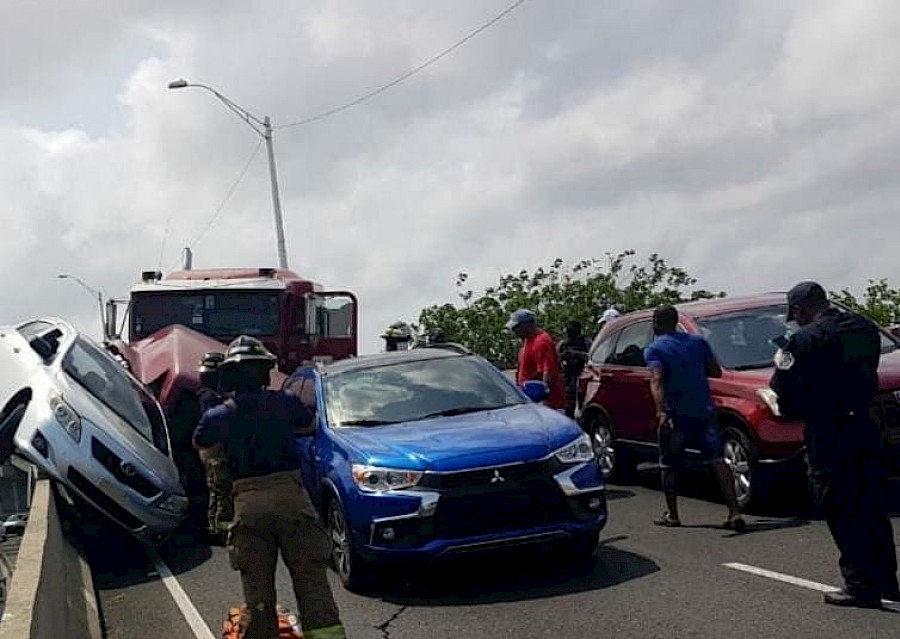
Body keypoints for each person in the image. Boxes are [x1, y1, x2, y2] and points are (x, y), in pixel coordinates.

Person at [193, 336, 346, 639]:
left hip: (248, 506)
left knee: (258, 594)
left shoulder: (219, 415)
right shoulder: (287, 404)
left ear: (230, 375)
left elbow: (202, 443)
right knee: (312, 585)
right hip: (292, 499)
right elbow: (308, 424)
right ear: (265, 372)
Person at [771, 281, 898, 609]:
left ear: (800, 309)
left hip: (829, 431)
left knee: (841, 508)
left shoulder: (803, 340)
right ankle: (887, 580)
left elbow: (784, 388)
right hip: (866, 425)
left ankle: (859, 585)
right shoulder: (863, 327)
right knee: (872, 505)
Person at [644, 305, 744, 530]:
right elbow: (714, 371)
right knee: (718, 460)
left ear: (656, 324)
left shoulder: (654, 349)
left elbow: (656, 380)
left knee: (668, 464)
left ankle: (673, 514)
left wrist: (661, 412)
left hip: (675, 413)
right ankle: (734, 511)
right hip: (703, 409)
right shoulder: (698, 342)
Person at [195, 352, 233, 543]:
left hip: (212, 450)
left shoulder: (206, 394)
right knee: (221, 489)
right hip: (215, 451)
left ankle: (217, 527)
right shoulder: (208, 397)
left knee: (217, 489)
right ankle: (219, 530)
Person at [505, 309, 566, 411]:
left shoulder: (542, 342)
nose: (514, 331)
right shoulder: (528, 340)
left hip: (546, 404)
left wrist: (543, 399)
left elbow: (548, 372)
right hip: (530, 402)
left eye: (516, 327)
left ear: (528, 325)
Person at [557, 321, 590, 418]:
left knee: (584, 402)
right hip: (569, 375)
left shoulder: (585, 341)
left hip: (583, 374)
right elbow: (555, 359)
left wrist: (575, 354)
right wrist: (563, 356)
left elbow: (592, 356)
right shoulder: (564, 343)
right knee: (569, 403)